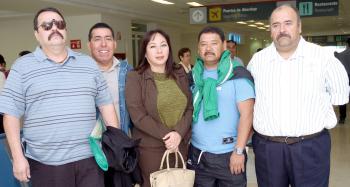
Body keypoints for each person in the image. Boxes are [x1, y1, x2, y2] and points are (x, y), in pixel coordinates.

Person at [0, 7, 119, 187]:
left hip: (90, 160)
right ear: (37, 34)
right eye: (47, 25)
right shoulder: (22, 67)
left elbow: (106, 106)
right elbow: (11, 115)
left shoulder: (88, 64)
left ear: (65, 30)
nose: (54, 28)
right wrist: (17, 158)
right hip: (46, 164)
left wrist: (114, 146)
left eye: (59, 24)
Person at [247, 4, 349, 187]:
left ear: (299, 26)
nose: (282, 30)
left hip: (311, 147)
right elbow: (248, 101)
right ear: (270, 30)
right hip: (268, 149)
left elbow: (340, 96)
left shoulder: (323, 58)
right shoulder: (257, 61)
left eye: (288, 23)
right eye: (276, 25)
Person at [187, 26, 255, 187]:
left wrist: (239, 151)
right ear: (198, 48)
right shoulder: (192, 77)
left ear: (224, 46)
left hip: (229, 155)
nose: (208, 48)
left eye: (214, 43)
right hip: (198, 154)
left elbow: (247, 115)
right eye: (203, 44)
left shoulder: (238, 75)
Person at [125, 29, 193, 187]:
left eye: (163, 45)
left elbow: (189, 107)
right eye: (153, 46)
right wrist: (169, 136)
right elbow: (138, 115)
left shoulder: (179, 72)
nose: (159, 50)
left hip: (180, 145)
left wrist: (178, 134)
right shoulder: (135, 77)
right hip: (151, 150)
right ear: (145, 52)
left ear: (169, 48)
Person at [88, 22, 133, 135]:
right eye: (97, 39)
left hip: (122, 142)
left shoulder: (128, 71)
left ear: (114, 44)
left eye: (108, 39)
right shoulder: (82, 74)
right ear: (89, 45)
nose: (103, 44)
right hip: (92, 145)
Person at [335, 38, 350, 124]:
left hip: (345, 78)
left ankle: (342, 118)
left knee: (343, 98)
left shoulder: (340, 55)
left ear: (347, 44)